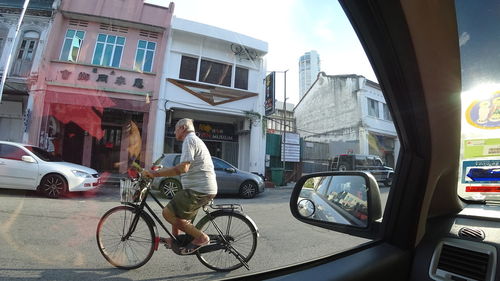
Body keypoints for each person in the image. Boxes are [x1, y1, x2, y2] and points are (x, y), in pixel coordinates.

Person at [143, 118, 217, 254]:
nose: (174, 132)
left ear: (183, 128)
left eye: (176, 129)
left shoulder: (189, 140)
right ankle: (174, 239)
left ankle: (202, 238)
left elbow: (183, 168)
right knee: (175, 211)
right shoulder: (193, 140)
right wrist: (159, 170)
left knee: (167, 213)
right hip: (199, 188)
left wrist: (155, 174)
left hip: (199, 189)